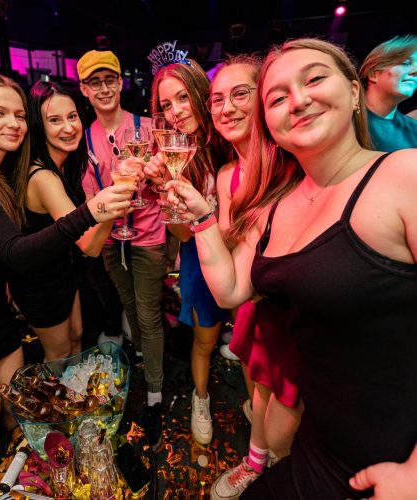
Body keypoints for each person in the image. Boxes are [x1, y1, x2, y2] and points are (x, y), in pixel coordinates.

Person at [166, 38, 417, 498]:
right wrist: (201, 217)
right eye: (277, 97)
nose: (298, 100)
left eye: (314, 78)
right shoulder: (277, 205)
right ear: (270, 122)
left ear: (354, 91)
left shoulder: (405, 176)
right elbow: (230, 291)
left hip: (394, 460)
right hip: (321, 445)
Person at [0, 72, 131, 461]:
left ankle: (24, 469)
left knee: (18, 399)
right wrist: (91, 211)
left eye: (18, 115)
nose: (13, 123)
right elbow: (16, 253)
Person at [206, 54, 303, 499]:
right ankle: (255, 462)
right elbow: (232, 251)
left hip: (298, 309)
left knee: (289, 415)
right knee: (261, 388)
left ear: (263, 99)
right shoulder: (228, 174)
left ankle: (283, 470)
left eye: (240, 94)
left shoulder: (293, 160)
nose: (226, 108)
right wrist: (199, 218)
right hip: (256, 304)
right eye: (217, 99)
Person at [78, 49, 166, 450]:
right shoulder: (84, 139)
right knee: (129, 306)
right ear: (84, 89)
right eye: (94, 82)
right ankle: (144, 362)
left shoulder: (148, 127)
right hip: (113, 240)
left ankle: (155, 395)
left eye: (109, 80)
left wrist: (156, 176)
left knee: (148, 315)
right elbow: (90, 196)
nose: (104, 88)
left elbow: (169, 178)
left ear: (120, 82)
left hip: (148, 236)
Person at [148, 57, 229, 445]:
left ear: (201, 94)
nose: (176, 111)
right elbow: (181, 234)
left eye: (183, 98)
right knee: (205, 338)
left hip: (244, 253)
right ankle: (200, 398)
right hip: (200, 256)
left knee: (250, 338)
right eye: (166, 105)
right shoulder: (173, 156)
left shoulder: (230, 142)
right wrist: (169, 191)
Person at [9, 81, 116, 361]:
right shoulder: (43, 177)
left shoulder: (62, 165)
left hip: (62, 269)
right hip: (39, 281)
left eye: (72, 116)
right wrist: (113, 207)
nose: (68, 128)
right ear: (37, 126)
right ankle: (58, 391)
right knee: (59, 353)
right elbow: (90, 246)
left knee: (77, 336)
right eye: (54, 120)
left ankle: (73, 388)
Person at [360, 35, 417, 151]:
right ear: (374, 74)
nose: (415, 72)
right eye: (406, 63)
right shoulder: (345, 118)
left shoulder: (413, 130)